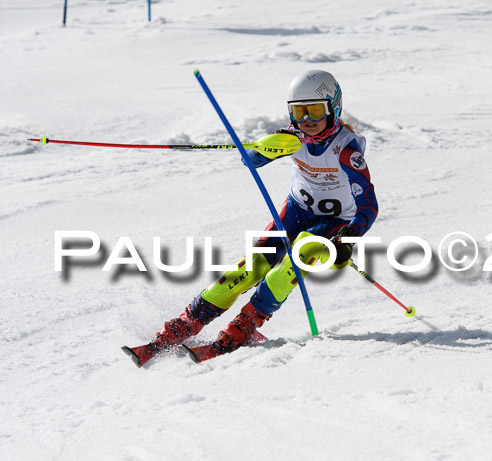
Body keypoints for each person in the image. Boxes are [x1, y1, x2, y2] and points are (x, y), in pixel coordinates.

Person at [123, 70, 378, 366]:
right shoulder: (293, 137)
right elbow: (254, 159)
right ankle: (184, 324)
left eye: (315, 111)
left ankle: (244, 326)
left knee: (294, 262)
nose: (307, 120)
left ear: (334, 108)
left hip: (333, 222)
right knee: (252, 267)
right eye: (299, 112)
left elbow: (368, 205)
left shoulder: (346, 150)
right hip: (297, 211)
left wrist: (348, 238)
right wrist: (258, 151)